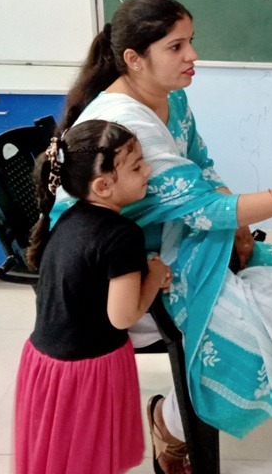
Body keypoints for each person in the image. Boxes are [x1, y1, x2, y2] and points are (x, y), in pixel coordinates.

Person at [50, 0, 272, 474]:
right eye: (176, 47)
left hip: (163, 236)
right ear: (134, 59)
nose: (192, 56)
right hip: (118, 271)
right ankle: (171, 424)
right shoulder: (127, 125)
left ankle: (176, 412)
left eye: (191, 42)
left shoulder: (171, 97)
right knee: (253, 321)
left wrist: (243, 226)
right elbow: (208, 208)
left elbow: (202, 170)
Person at [15, 119, 171, 474]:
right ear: (102, 186)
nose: (148, 170)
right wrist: (156, 276)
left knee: (61, 460)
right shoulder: (123, 235)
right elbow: (124, 316)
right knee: (90, 460)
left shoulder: (69, 217)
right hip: (88, 369)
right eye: (137, 166)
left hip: (44, 362)